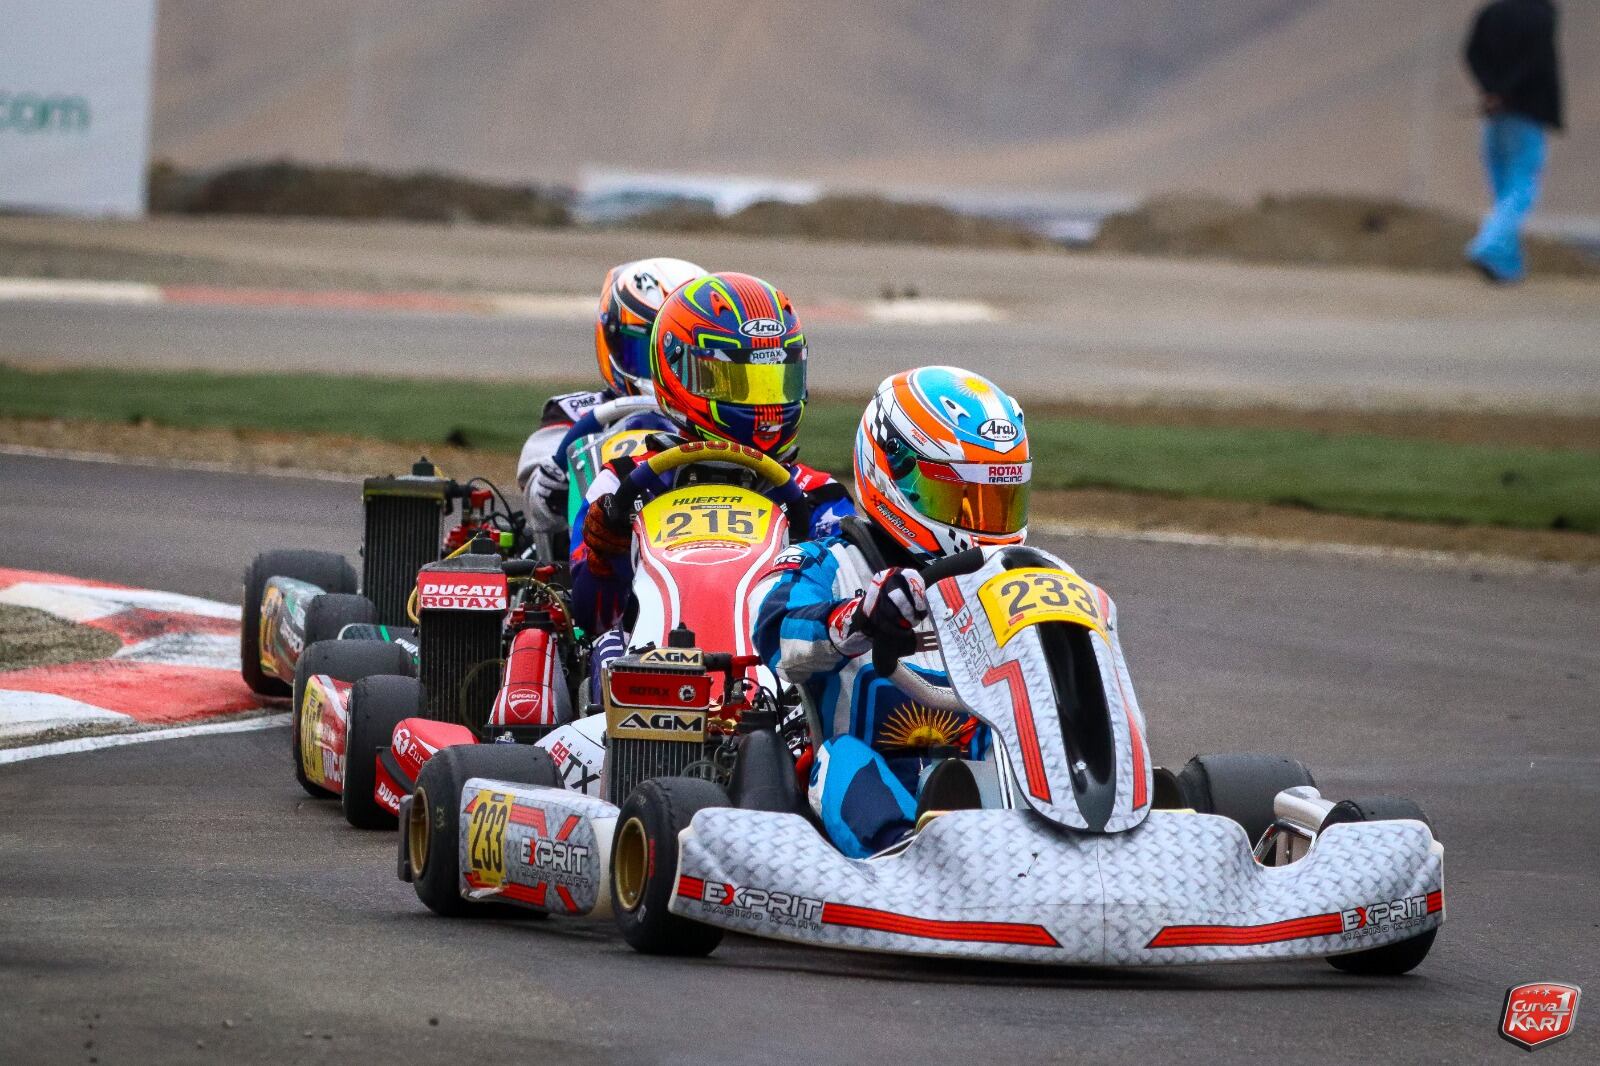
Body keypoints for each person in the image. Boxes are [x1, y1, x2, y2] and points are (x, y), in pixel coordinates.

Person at [753, 366, 1033, 858]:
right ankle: (900, 857)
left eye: (998, 502)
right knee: (844, 757)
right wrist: (859, 619)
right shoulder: (831, 561)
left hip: (979, 790)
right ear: (894, 475)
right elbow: (777, 635)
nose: (983, 525)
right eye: (960, 499)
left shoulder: (1011, 584)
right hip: (863, 796)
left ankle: (1083, 835)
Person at [571, 271, 854, 634]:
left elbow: (844, 626)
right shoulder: (622, 485)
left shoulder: (819, 497)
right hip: (651, 671)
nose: (763, 403)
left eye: (774, 380)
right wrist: (606, 559)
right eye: (736, 380)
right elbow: (589, 623)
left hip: (772, 678)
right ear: (677, 370)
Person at [516, 257, 705, 538]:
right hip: (587, 557)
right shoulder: (574, 414)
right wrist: (555, 476)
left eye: (673, 355)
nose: (661, 370)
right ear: (612, 339)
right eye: (645, 352)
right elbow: (539, 500)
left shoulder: (711, 421)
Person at [1463, 0, 1565, 284]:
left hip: (1495, 111)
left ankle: (1506, 265)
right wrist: (1506, 92)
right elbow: (1537, 60)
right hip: (1525, 109)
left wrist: (1492, 90)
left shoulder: (1492, 12)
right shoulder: (1540, 14)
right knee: (1521, 184)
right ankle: (1489, 245)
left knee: (1503, 188)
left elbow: (1472, 53)